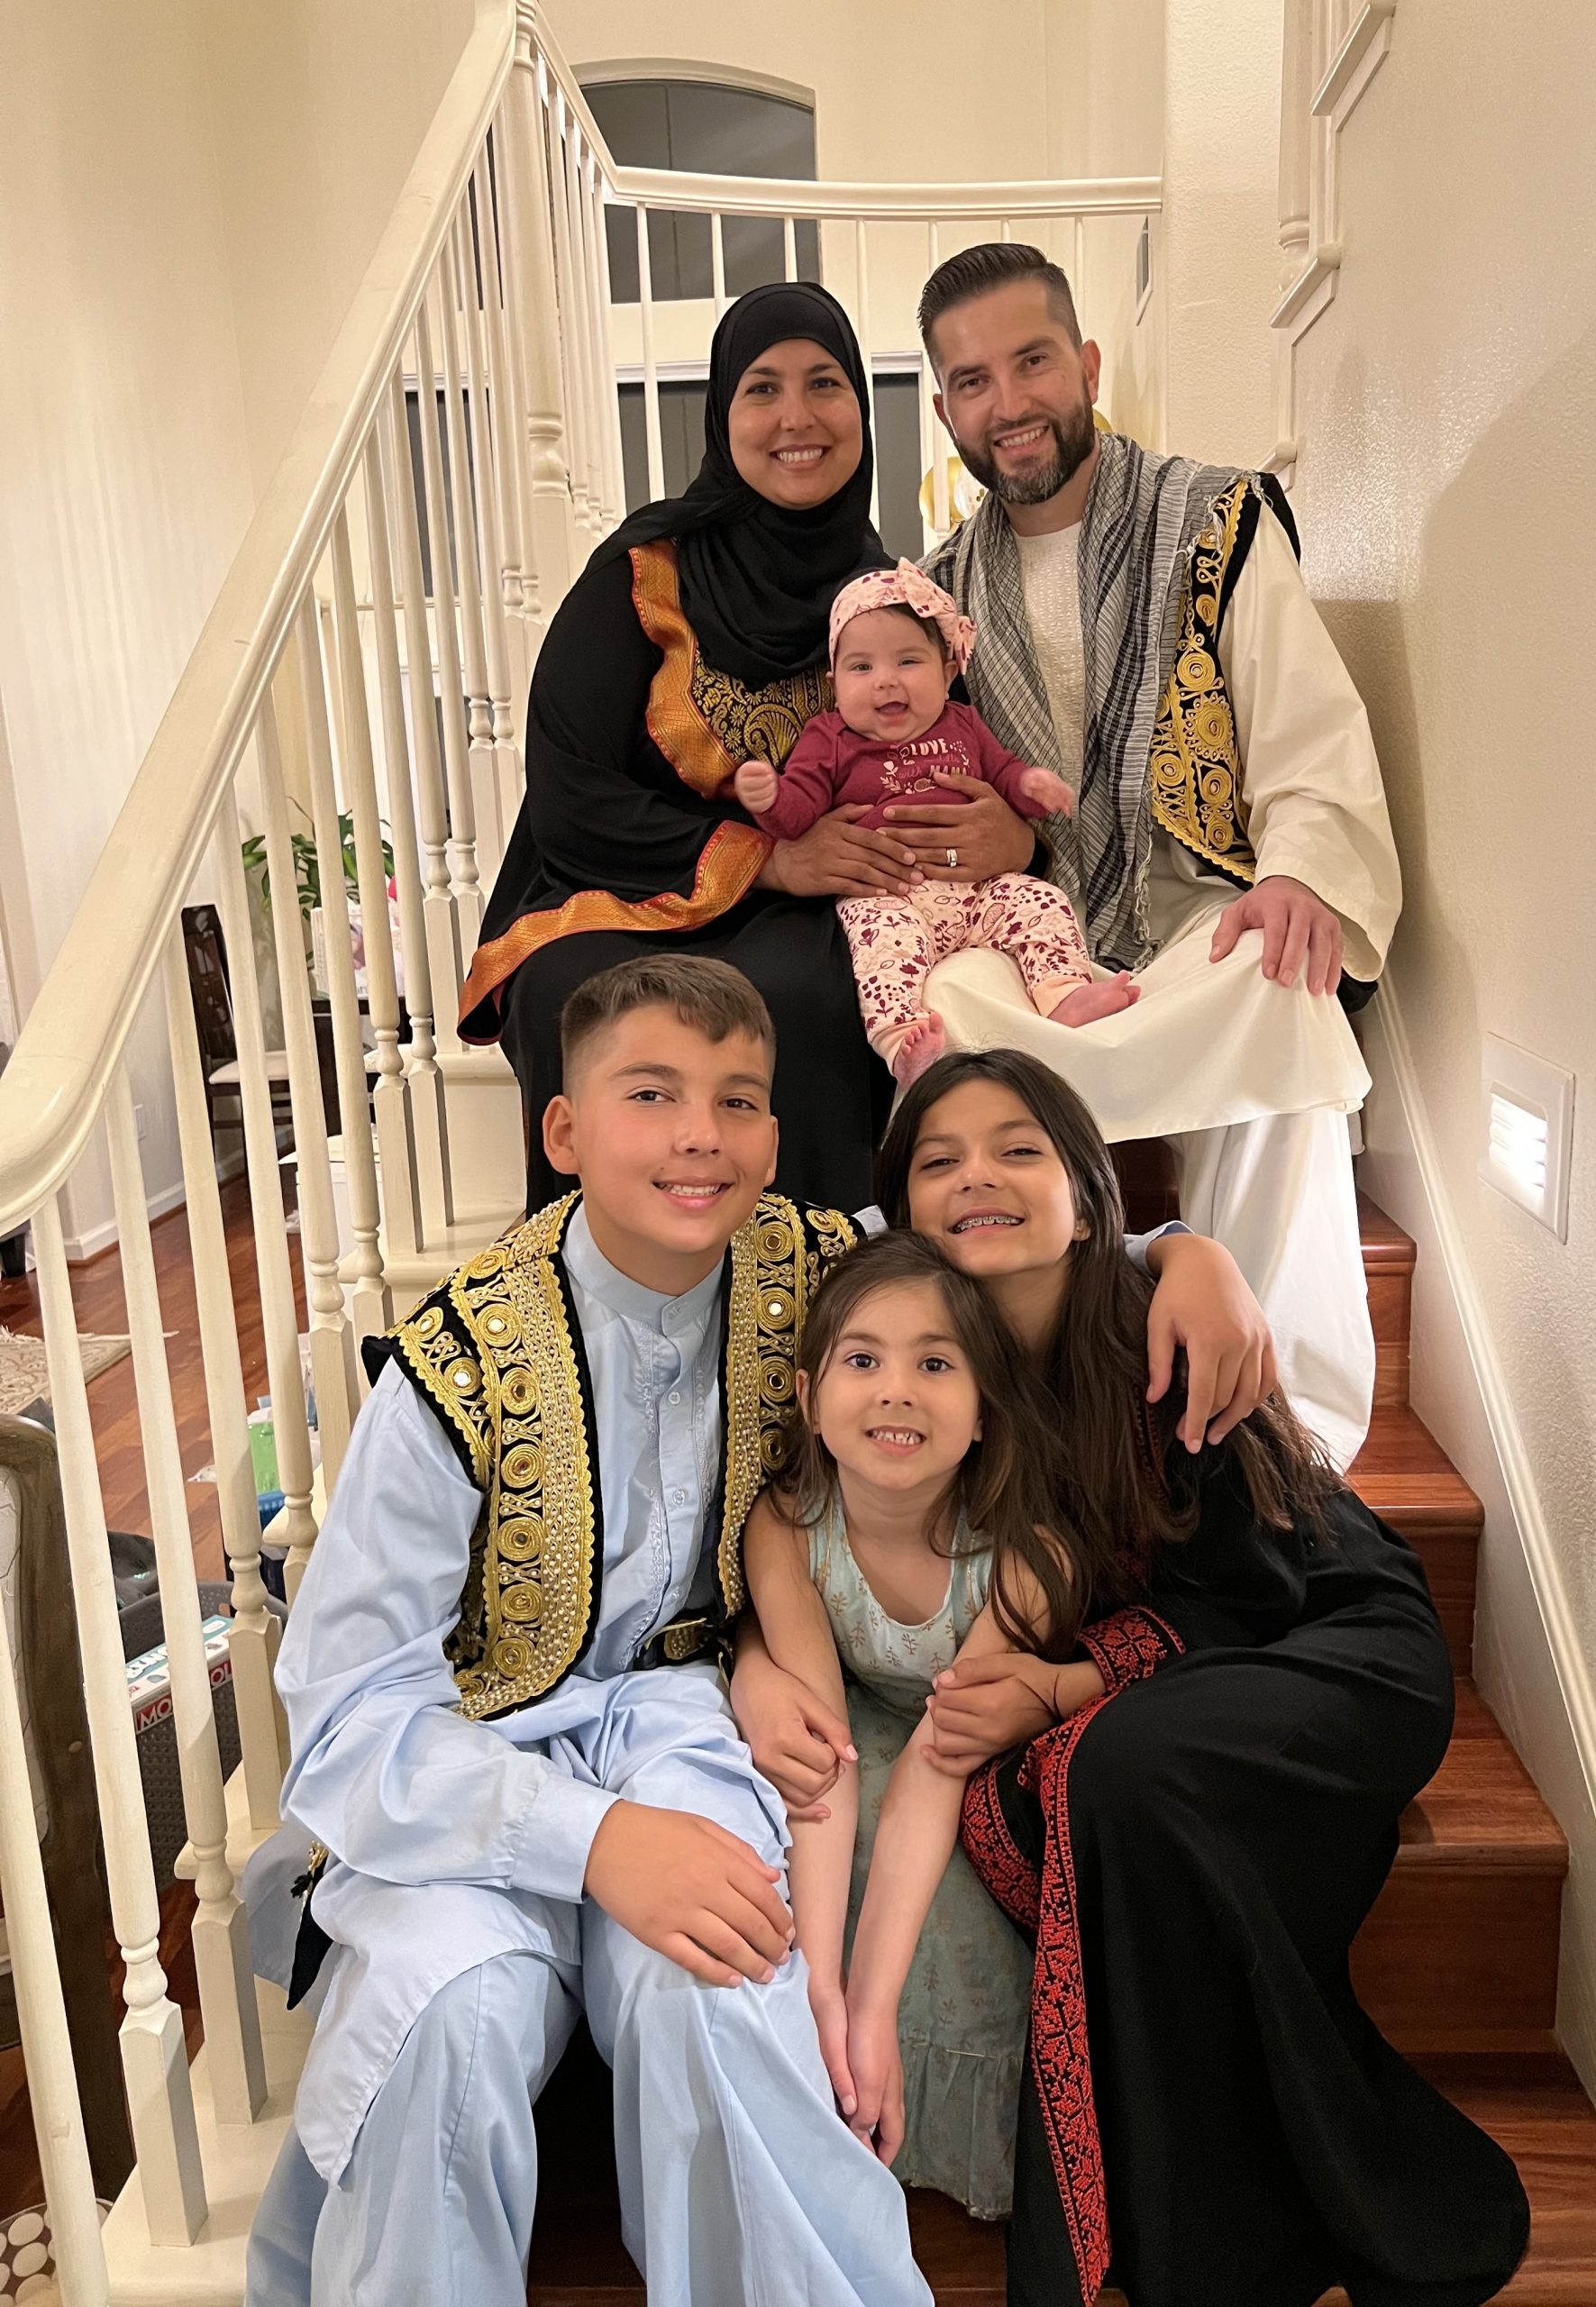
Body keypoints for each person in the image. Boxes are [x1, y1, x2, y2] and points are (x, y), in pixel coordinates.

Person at [243, 955, 1277, 2307]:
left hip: (686, 1729)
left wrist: (1185, 1252)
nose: (700, 1136)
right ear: (563, 1129)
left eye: (738, 1101)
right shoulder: (451, 1368)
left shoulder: (817, 1264)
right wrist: (594, 1840)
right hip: (467, 1760)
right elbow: (346, 1714)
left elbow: (995, 1234)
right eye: (651, 1095)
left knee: (725, 1992)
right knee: (451, 2014)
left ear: (776, 1139)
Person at [732, 1047, 1529, 2307]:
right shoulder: (946, 1360)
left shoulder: (1158, 1337)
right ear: (902, 1209)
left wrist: (1064, 1686)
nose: (977, 1176)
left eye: (1019, 1150)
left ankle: (1239, 2211)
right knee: (1102, 1779)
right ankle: (1170, 2204)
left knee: (1110, 1764)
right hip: (1172, 1677)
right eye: (939, 1160)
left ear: (1086, 1188)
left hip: (1325, 1636)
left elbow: (1255, 1591)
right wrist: (750, 1664)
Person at [913, 242, 1405, 1471]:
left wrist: (1298, 871)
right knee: (944, 1002)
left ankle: (1286, 1435)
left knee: (1278, 981)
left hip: (1194, 912)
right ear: (946, 409)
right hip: (1037, 936)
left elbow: (1305, 730)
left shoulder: (1214, 521)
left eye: (1032, 362)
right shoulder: (933, 593)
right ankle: (1016, 1411)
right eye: (972, 381)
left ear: (1087, 366)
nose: (1008, 403)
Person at [456, 281, 1034, 1218]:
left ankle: (817, 1278)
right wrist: (769, 858)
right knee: (578, 993)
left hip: (819, 911)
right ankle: (607, 1290)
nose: (796, 417)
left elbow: (956, 764)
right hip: (632, 887)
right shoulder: (638, 578)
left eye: (824, 384)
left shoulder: (892, 603)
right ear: (723, 415)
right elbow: (571, 797)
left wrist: (1009, 836)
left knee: (822, 987)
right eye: (762, 388)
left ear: (860, 410)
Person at [743, 1232, 1070, 2217]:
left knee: (953, 1940)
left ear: (985, 1410)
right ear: (809, 1397)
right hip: (850, 1748)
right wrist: (822, 1986)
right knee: (801, 1904)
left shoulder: (1025, 1553)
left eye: (934, 1364)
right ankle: (818, 2102)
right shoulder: (786, 1526)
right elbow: (825, 1756)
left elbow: (940, 1760)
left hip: (963, 1771)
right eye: (863, 1359)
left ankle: (910, 2114)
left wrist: (871, 2002)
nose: (896, 1391)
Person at [735, 561, 1135, 1082]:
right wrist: (769, 799)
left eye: (907, 661)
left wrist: (1030, 787)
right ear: (834, 685)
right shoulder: (828, 739)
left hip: (979, 892)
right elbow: (797, 815)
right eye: (861, 668)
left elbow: (1002, 773)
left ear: (948, 673)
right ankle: (901, 1042)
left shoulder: (963, 723)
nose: (886, 681)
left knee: (1040, 900)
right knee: (880, 942)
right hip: (890, 895)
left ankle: (1064, 995)